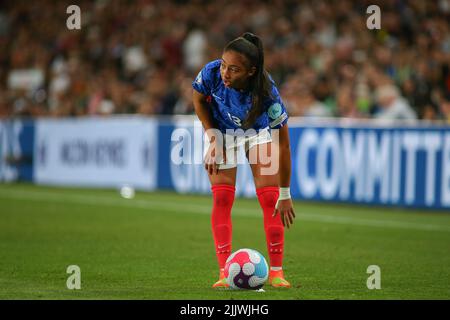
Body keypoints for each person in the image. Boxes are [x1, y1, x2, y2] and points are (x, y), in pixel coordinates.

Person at [192, 32, 296, 288]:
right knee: (222, 198)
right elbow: (197, 99)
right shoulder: (212, 72)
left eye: (234, 69)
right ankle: (223, 273)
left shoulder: (268, 94)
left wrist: (285, 193)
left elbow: (283, 143)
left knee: (271, 199)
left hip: (256, 134)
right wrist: (213, 137)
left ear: (250, 72)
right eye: (224, 65)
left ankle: (276, 273)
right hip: (222, 132)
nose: (225, 72)